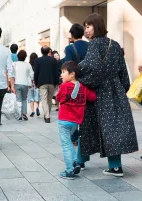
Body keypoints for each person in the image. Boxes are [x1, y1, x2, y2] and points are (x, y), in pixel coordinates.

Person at [78, 13, 138, 177]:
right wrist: (122, 88)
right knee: (112, 128)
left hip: (98, 91)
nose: (86, 30)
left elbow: (92, 68)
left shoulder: (94, 44)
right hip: (115, 90)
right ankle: (115, 166)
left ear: (96, 26)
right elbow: (123, 71)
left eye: (88, 26)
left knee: (88, 126)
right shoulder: (115, 44)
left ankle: (80, 161)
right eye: (85, 27)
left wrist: (80, 78)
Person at [56, 61, 96, 180]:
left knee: (66, 145)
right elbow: (92, 97)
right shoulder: (82, 87)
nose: (61, 75)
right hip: (76, 122)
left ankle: (69, 170)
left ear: (72, 74)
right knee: (69, 143)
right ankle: (75, 163)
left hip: (63, 121)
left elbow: (57, 98)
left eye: (63, 72)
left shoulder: (64, 86)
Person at [64, 23, 89, 144]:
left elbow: (68, 66)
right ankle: (87, 135)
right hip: (89, 81)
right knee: (87, 109)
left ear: (72, 35)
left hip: (75, 83)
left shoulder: (70, 48)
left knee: (74, 109)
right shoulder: (89, 45)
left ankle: (74, 136)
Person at [34, 45, 59, 123]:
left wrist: (36, 82)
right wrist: (57, 82)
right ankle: (47, 114)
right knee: (49, 99)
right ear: (49, 51)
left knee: (44, 99)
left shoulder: (37, 60)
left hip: (42, 83)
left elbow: (36, 73)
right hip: (52, 82)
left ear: (41, 52)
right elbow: (56, 72)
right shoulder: (53, 60)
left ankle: (47, 116)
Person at [14, 50, 34, 121]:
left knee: (18, 99)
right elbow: (32, 74)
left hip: (16, 83)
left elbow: (11, 74)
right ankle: (24, 113)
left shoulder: (15, 64)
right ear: (25, 57)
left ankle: (19, 114)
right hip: (25, 84)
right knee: (24, 99)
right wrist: (31, 81)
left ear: (18, 56)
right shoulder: (28, 65)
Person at [27, 53, 40, 117]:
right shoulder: (38, 64)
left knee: (31, 97)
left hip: (30, 83)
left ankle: (32, 111)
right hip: (36, 82)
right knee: (37, 96)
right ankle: (37, 107)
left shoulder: (28, 65)